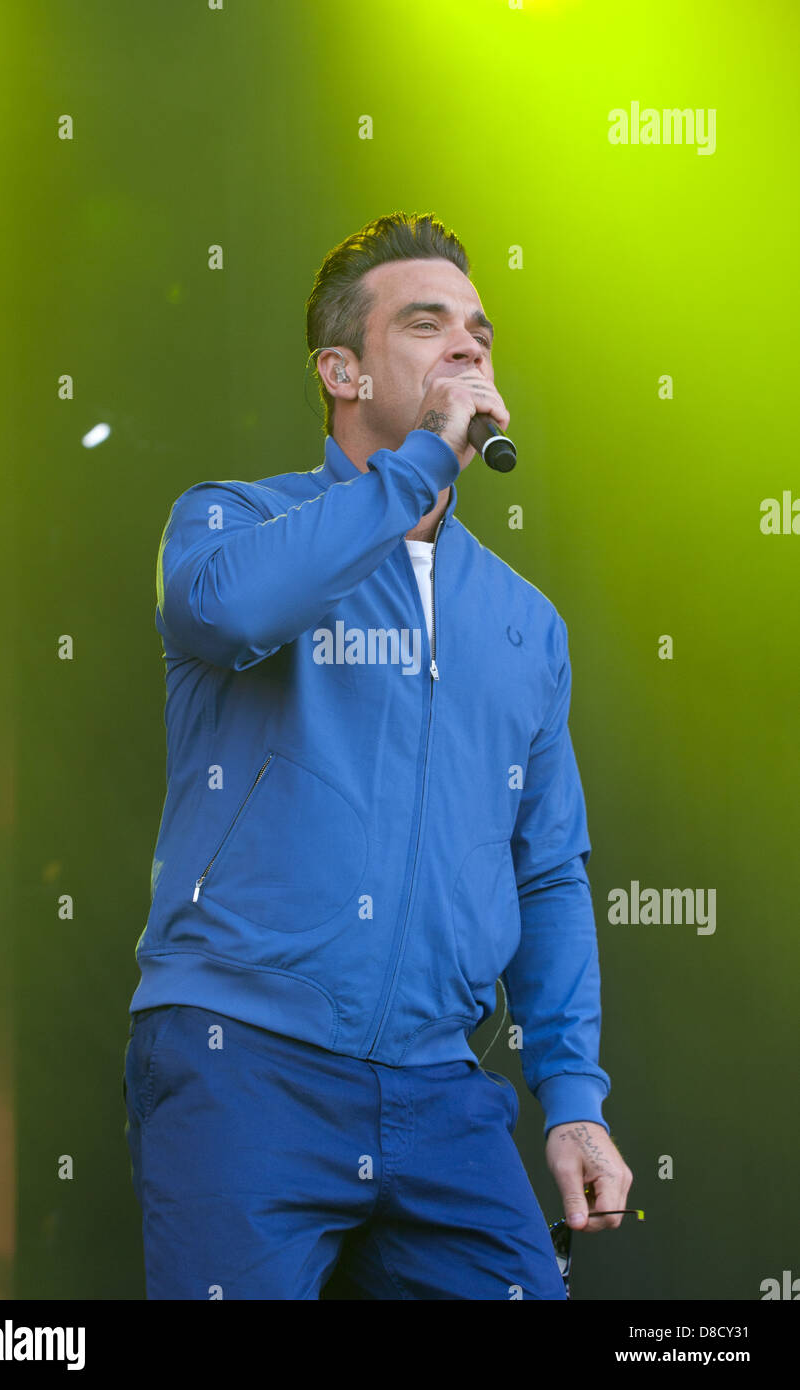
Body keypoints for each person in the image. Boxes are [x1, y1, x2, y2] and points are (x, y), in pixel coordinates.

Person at [122, 211, 633, 1300]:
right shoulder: (231, 520)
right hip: (245, 1056)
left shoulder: (522, 619)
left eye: (479, 332)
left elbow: (543, 869)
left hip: (441, 1089)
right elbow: (223, 612)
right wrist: (412, 476)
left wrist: (573, 1096)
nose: (468, 346)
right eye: (426, 323)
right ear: (339, 370)